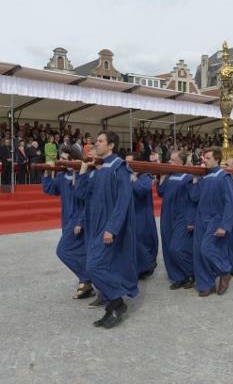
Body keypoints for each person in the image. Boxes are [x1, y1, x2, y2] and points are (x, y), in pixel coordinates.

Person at [79, 131, 138, 329]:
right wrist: (83, 171)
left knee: (93, 266)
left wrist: (112, 228)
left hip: (108, 227)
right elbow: (81, 194)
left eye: (101, 140)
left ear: (111, 145)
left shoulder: (119, 166)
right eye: (97, 140)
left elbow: (123, 200)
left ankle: (117, 302)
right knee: (96, 266)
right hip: (95, 226)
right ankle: (113, 304)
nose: (97, 143)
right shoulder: (100, 167)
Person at [43, 146, 95, 300]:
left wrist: (80, 222)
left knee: (63, 250)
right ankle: (85, 284)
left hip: (80, 219)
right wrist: (47, 173)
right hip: (66, 220)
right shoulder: (62, 175)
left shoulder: (84, 174)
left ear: (74, 160)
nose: (62, 162)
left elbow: (87, 200)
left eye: (65, 159)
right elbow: (50, 189)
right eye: (61, 159)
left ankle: (86, 278)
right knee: (79, 251)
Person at [189, 148, 233, 297]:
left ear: (217, 160)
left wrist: (224, 225)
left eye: (208, 158)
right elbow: (194, 197)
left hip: (216, 219)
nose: (204, 160)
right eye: (204, 158)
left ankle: (225, 271)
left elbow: (230, 203)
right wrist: (195, 180)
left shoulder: (224, 176)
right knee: (198, 253)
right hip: (201, 219)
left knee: (206, 249)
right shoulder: (204, 178)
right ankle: (207, 285)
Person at [156, 150, 196, 290]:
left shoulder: (189, 176)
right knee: (167, 246)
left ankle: (191, 273)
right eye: (170, 160)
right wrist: (162, 177)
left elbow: (194, 199)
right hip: (167, 215)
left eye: (173, 160)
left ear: (181, 161)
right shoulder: (170, 175)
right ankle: (178, 277)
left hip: (182, 216)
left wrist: (192, 220)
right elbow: (161, 192)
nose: (170, 162)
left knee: (176, 248)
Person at [126, 152, 158, 280]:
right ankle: (137, 267)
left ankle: (148, 265)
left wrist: (133, 178)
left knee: (143, 240)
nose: (127, 165)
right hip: (130, 212)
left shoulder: (146, 176)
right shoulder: (126, 175)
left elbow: (141, 190)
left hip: (142, 213)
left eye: (130, 162)